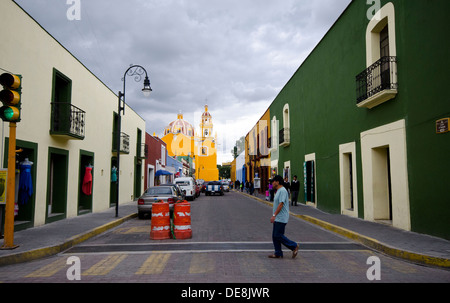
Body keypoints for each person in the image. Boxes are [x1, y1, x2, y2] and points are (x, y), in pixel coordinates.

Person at [269, 175, 299, 259]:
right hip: (278, 217)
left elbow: (281, 204)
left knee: (278, 235)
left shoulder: (282, 191)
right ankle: (278, 253)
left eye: (273, 181)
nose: (272, 183)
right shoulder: (278, 190)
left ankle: (294, 246)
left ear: (277, 182)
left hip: (281, 217)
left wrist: (274, 215)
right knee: (275, 236)